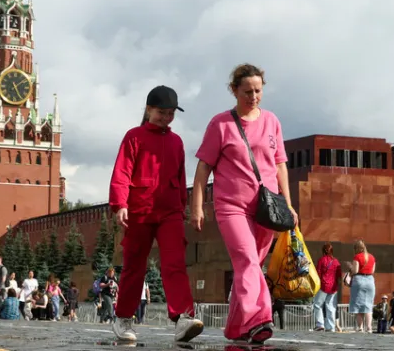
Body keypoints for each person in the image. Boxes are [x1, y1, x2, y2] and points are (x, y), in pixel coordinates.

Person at [190, 64, 298, 344]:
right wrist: (197, 206)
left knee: (249, 267)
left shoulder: (272, 121)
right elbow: (203, 168)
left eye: (258, 91)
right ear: (234, 90)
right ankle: (258, 319)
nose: (253, 97)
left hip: (267, 208)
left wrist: (288, 203)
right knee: (247, 260)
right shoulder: (220, 124)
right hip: (231, 206)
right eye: (247, 91)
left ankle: (236, 328)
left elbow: (280, 165)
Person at [108, 85, 204, 342]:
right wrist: (120, 204)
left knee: (175, 263)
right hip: (139, 210)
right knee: (134, 266)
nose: (166, 118)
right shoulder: (134, 137)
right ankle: (123, 318)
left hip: (170, 212)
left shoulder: (176, 141)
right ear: (149, 109)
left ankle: (183, 317)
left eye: (171, 113)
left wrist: (182, 207)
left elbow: (180, 177)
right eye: (161, 112)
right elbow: (122, 172)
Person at [348, 240, 376, 333]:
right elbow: (372, 271)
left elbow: (355, 271)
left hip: (359, 280)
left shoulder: (357, 257)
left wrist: (350, 268)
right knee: (368, 305)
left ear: (356, 248)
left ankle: (360, 327)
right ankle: (369, 327)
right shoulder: (372, 257)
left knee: (358, 304)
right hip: (370, 281)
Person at [313, 242, 341, 332]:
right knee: (331, 307)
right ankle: (331, 327)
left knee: (317, 305)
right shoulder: (336, 261)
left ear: (323, 251)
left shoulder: (321, 260)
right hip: (333, 287)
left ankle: (320, 324)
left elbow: (318, 273)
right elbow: (339, 275)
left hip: (323, 286)